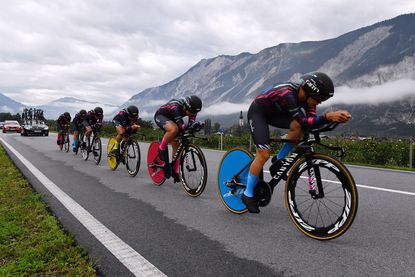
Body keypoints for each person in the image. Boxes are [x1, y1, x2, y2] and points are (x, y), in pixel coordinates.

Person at [243, 72, 352, 213]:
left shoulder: (308, 100)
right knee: (263, 154)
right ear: (307, 91)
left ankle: (279, 160)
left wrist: (332, 119)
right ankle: (247, 194)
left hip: (277, 113)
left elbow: (309, 124)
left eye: (322, 101)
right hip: (259, 113)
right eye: (318, 99)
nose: (319, 103)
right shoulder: (287, 94)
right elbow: (304, 120)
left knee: (299, 128)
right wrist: (328, 116)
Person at [154, 95, 204, 182]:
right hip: (161, 116)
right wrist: (191, 126)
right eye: (191, 112)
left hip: (173, 119)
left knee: (176, 144)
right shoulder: (175, 107)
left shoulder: (192, 110)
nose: (192, 114)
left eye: (194, 113)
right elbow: (182, 126)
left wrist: (197, 126)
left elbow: (190, 124)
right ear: (185, 106)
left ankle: (175, 170)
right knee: (174, 129)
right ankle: (161, 147)